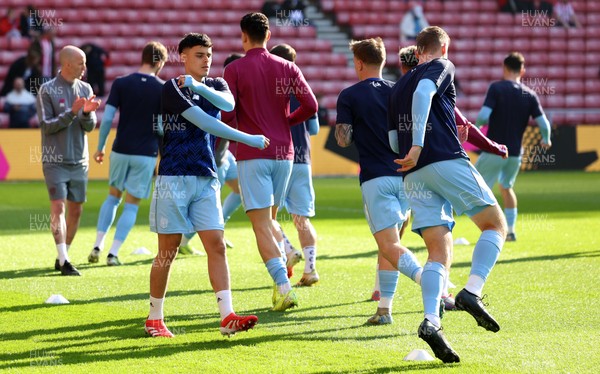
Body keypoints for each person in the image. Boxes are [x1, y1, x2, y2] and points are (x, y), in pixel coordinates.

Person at [388, 26, 507, 362]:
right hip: (443, 159)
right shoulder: (441, 65)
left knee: (438, 252)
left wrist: (413, 149)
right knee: (494, 225)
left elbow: (394, 142)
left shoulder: (396, 89)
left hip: (413, 174)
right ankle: (472, 292)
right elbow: (425, 95)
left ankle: (431, 321)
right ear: (440, 47)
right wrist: (422, 143)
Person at [145, 33, 268, 338]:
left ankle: (227, 316)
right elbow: (205, 122)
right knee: (167, 251)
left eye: (209, 55)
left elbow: (228, 104)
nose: (206, 60)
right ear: (182, 57)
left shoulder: (215, 84)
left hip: (206, 176)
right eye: (199, 55)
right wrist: (248, 139)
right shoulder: (172, 86)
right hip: (174, 177)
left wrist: (199, 86)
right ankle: (154, 317)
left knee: (215, 245)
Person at [222, 13, 317, 311]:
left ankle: (284, 286)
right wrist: (286, 121)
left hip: (253, 153)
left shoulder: (234, 69)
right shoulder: (288, 66)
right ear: (269, 37)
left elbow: (227, 114)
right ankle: (288, 256)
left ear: (243, 36)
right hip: (284, 154)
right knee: (272, 218)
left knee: (261, 225)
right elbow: (311, 105)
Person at [335, 37, 425, 325]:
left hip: (375, 178)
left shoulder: (349, 95)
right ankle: (384, 309)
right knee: (391, 244)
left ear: (359, 62)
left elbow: (344, 138)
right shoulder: (400, 91)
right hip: (405, 177)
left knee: (388, 246)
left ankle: (434, 284)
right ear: (384, 61)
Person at [88, 41, 167, 266]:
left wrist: (100, 146)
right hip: (146, 154)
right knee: (131, 204)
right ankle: (113, 253)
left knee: (113, 197)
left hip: (120, 149)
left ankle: (97, 244)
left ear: (142, 57)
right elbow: (161, 127)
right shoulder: (162, 88)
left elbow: (108, 119)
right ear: (159, 62)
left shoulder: (121, 83)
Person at [36, 45, 101, 276]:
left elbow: (90, 126)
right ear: (67, 64)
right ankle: (64, 261)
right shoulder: (47, 90)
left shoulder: (85, 87)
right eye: (81, 62)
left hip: (80, 160)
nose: (85, 67)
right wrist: (73, 112)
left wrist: (86, 113)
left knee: (76, 210)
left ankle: (63, 254)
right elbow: (46, 126)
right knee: (58, 206)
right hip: (55, 160)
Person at [474, 52, 551, 242]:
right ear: (522, 70)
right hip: (515, 153)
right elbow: (544, 124)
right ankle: (510, 230)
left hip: (494, 150)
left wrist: (475, 130)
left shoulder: (496, 88)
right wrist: (546, 139)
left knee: (476, 188)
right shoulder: (530, 94)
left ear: (504, 68)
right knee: (507, 187)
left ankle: (490, 230)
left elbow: (484, 115)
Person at [178, 53, 245, 255]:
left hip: (225, 155)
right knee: (206, 205)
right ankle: (184, 239)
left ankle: (218, 228)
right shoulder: (219, 92)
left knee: (241, 190)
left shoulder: (225, 90)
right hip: (214, 157)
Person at [269, 43, 319, 286]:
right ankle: (310, 270)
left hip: (277, 158)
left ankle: (288, 249)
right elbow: (315, 129)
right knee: (302, 219)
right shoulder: (303, 87)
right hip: (302, 159)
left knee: (266, 215)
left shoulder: (270, 87)